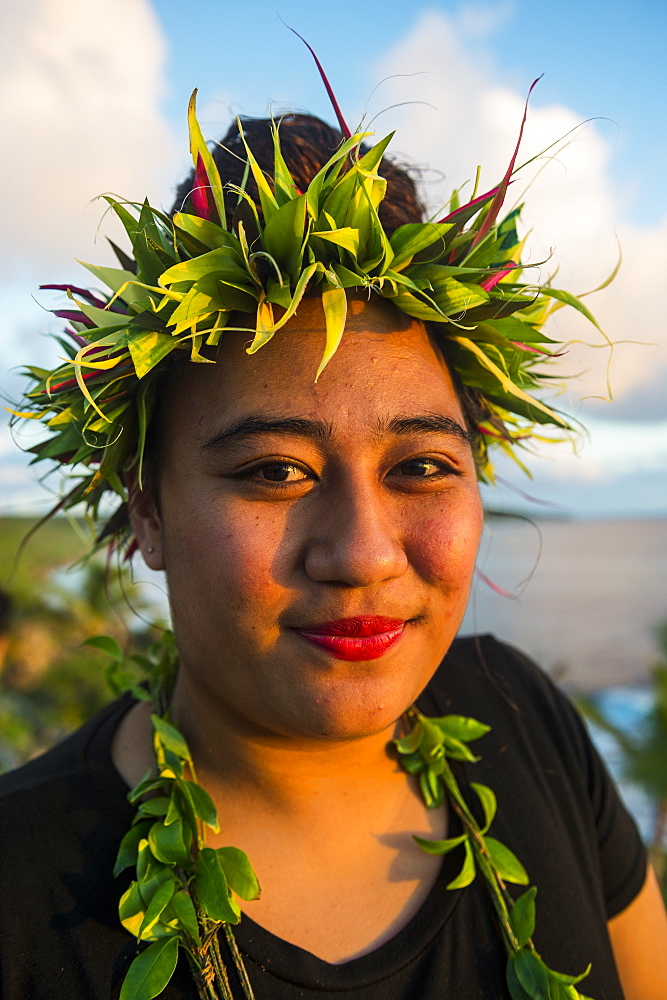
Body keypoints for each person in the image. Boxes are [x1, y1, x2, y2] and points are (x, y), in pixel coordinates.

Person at [2, 82, 667, 1000]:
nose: (362, 554)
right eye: (275, 470)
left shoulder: (526, 721)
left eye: (422, 467)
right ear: (147, 510)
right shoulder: (20, 893)